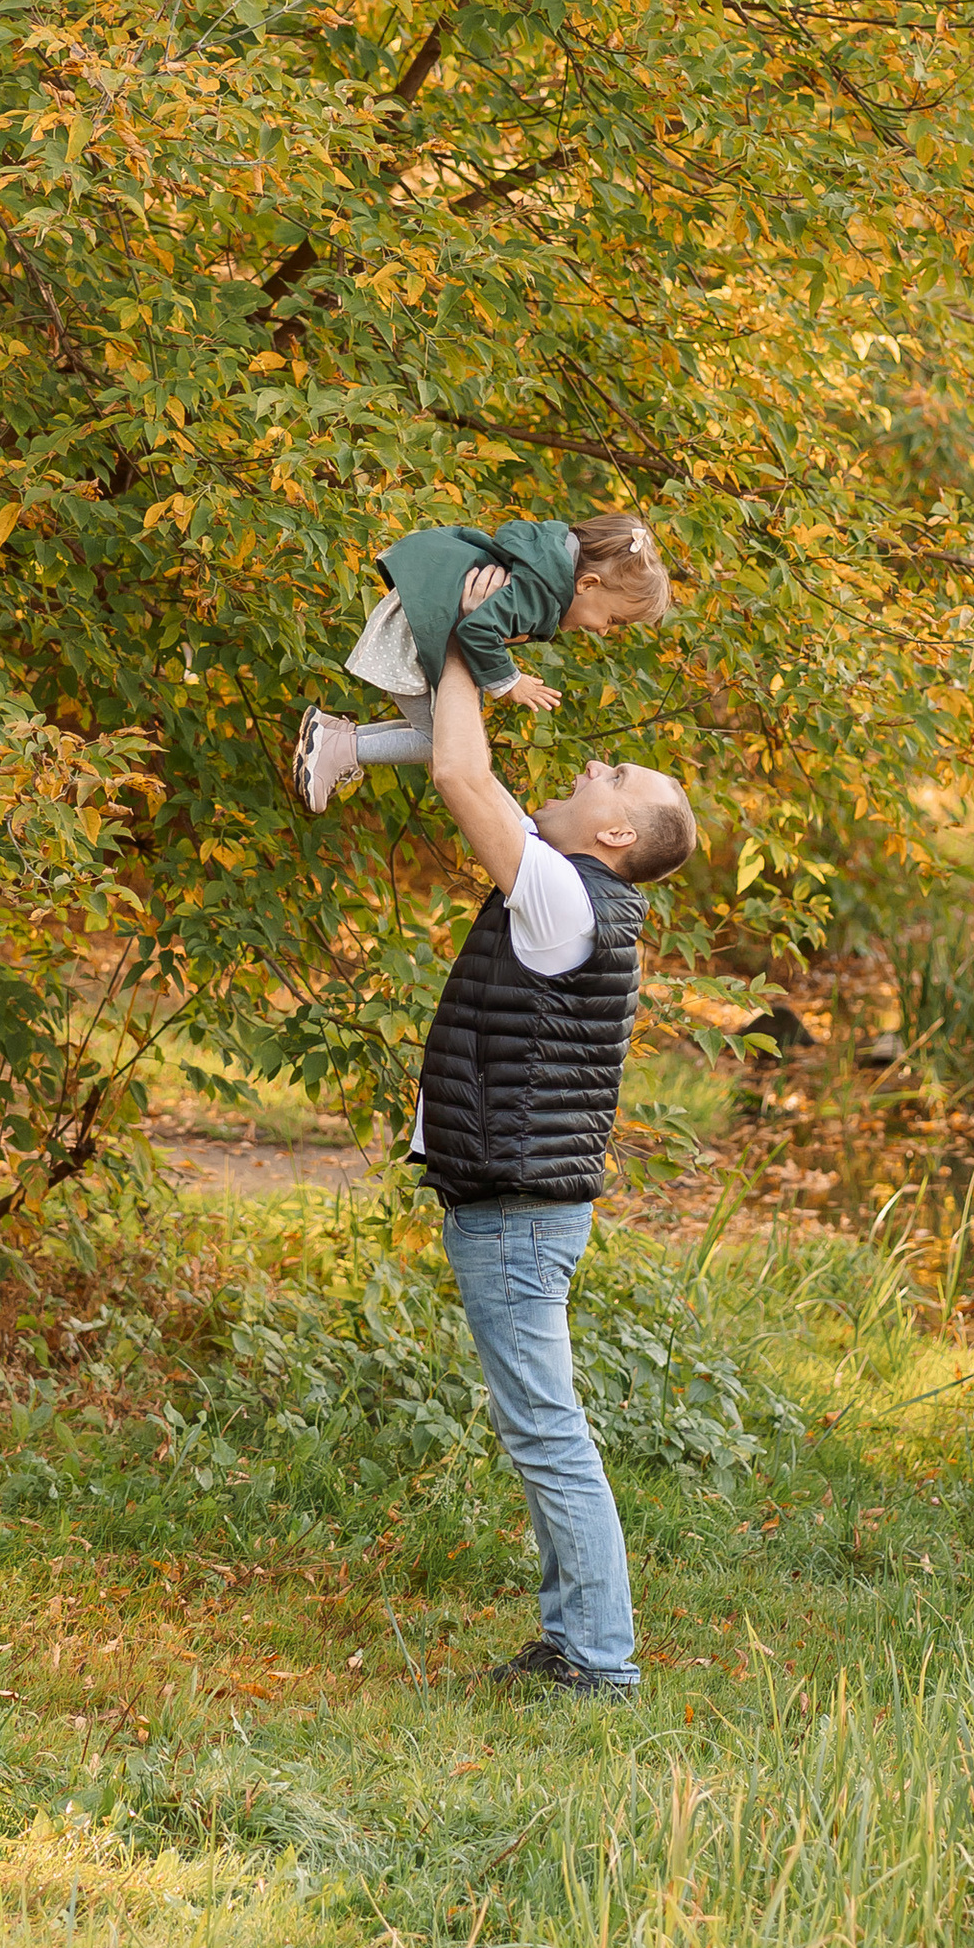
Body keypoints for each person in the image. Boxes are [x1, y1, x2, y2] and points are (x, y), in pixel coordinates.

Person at [408, 600, 696, 1698]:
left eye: (610, 774)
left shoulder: (565, 902)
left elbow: (458, 778)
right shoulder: (567, 889)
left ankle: (600, 1661)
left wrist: (450, 637)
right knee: (539, 1426)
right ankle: (575, 1638)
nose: (588, 763)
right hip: (517, 1200)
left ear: (614, 837)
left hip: (518, 1211)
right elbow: (466, 769)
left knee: (545, 1432)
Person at [295, 509, 670, 810]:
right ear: (588, 585)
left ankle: (334, 739)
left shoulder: (540, 572)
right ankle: (338, 746)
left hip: (422, 614)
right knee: (444, 742)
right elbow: (477, 630)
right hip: (420, 625)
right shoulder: (538, 593)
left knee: (441, 730)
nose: (604, 631)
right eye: (613, 620)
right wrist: (510, 682)